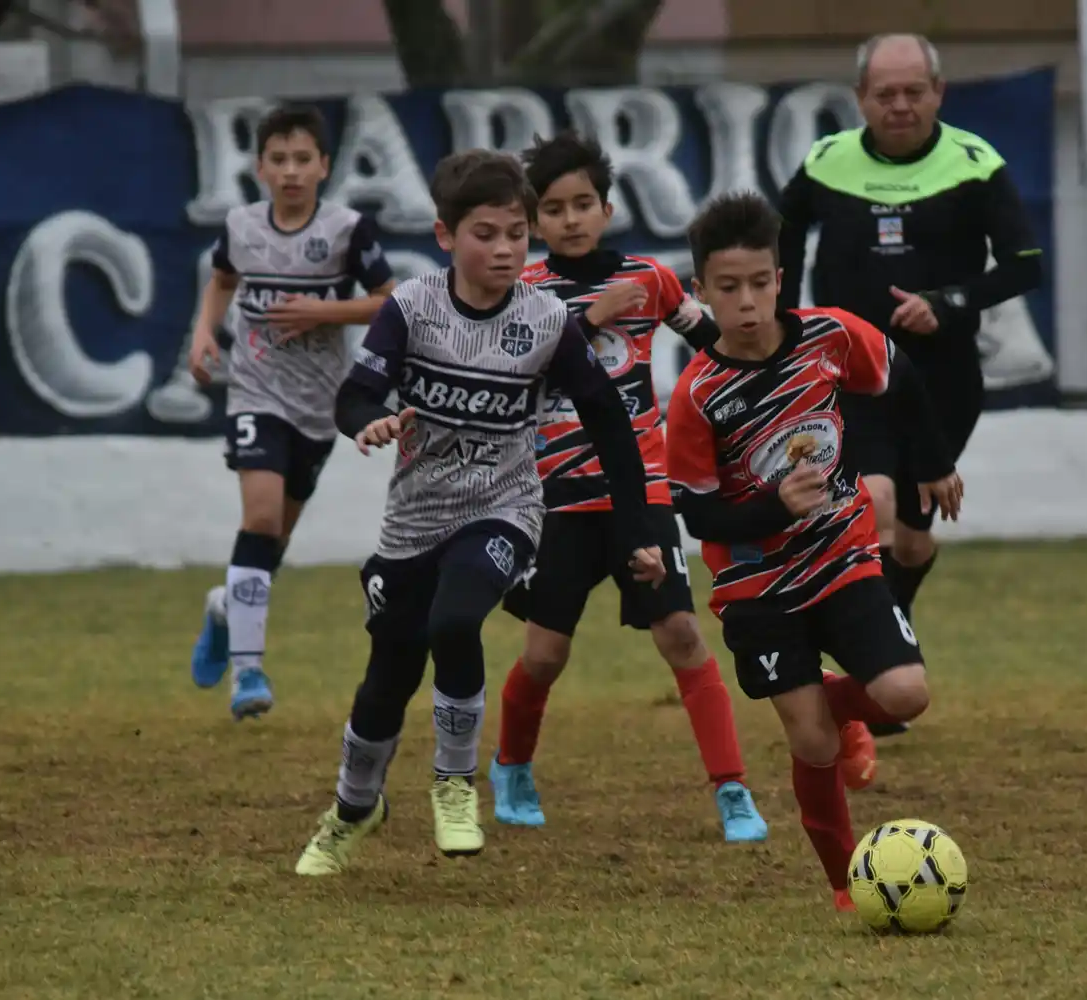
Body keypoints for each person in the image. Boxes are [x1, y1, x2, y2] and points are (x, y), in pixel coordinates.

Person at [295, 150, 665, 874]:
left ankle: (455, 784)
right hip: (412, 523)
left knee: (456, 620)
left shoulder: (548, 320)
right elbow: (353, 395)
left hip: (503, 508)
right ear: (445, 235)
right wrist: (367, 421)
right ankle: (353, 807)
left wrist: (639, 528)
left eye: (517, 235)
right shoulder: (413, 307)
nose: (504, 250)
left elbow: (611, 427)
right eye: (486, 234)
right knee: (386, 682)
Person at [492, 131, 768, 841]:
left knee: (679, 632)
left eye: (584, 203)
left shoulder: (652, 279)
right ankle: (511, 765)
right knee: (545, 654)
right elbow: (519, 377)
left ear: (608, 209)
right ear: (535, 222)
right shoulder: (523, 293)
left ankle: (732, 790)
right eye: (554, 209)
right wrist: (590, 317)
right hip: (559, 498)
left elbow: (713, 345)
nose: (571, 219)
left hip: (641, 490)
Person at [666, 191, 932, 912]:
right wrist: (768, 507)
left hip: (844, 560)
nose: (747, 302)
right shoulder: (697, 395)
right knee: (812, 742)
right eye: (728, 288)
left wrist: (930, 463)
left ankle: (849, 709)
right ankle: (849, 885)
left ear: (781, 279)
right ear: (701, 292)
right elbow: (696, 510)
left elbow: (900, 379)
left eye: (759, 283)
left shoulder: (831, 336)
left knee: (907, 694)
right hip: (758, 591)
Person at [778, 33, 1040, 733]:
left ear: (938, 93)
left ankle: (890, 635)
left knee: (913, 544)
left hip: (941, 381)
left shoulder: (974, 164)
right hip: (848, 377)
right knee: (876, 500)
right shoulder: (827, 162)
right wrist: (777, 320)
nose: (899, 105)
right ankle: (877, 666)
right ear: (861, 98)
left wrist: (950, 302)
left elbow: (1025, 263)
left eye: (913, 92)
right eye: (884, 94)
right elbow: (779, 238)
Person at [186, 104, 397, 720]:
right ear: (259, 168)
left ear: (325, 166)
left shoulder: (345, 230)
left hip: (320, 402)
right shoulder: (242, 226)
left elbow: (388, 302)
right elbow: (222, 278)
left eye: (303, 159)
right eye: (278, 160)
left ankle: (226, 607)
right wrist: (205, 332)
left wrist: (321, 312)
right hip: (255, 390)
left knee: (274, 537)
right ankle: (248, 673)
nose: (291, 171)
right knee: (260, 516)